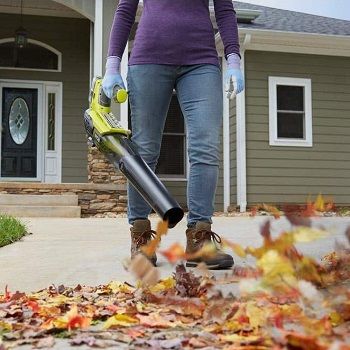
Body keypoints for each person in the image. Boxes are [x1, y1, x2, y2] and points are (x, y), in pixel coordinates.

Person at [102, 0, 244, 269]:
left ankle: (199, 238)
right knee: (143, 150)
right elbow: (125, 8)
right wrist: (112, 65)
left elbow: (225, 9)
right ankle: (141, 236)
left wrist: (233, 58)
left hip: (201, 61)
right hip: (148, 59)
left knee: (206, 146)